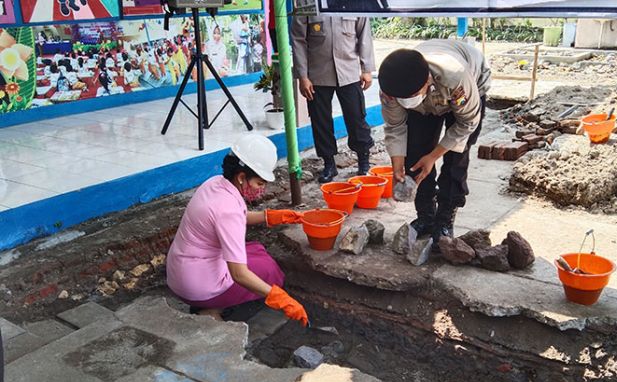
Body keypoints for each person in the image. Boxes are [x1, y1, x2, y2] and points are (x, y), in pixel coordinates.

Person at [166, 135, 309, 325]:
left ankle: (211, 303)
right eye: (259, 183)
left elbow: (234, 216)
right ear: (242, 177)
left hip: (180, 271)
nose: (262, 190)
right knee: (268, 270)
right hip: (196, 287)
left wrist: (273, 216)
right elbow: (239, 274)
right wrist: (282, 299)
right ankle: (210, 308)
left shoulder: (215, 183)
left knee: (255, 250)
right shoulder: (228, 211)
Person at [377, 40, 492, 246]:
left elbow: (467, 123)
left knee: (456, 158)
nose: (406, 100)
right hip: (427, 99)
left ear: (427, 81)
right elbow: (395, 126)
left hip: (468, 88)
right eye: (401, 98)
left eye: (411, 96)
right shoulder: (391, 87)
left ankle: (445, 218)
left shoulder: (455, 77)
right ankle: (426, 216)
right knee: (415, 153)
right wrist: (397, 165)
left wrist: (433, 156)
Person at [291, 15, 376, 183]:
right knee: (320, 121)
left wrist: (366, 68)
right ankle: (329, 163)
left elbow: (364, 34)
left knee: (356, 117)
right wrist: (303, 76)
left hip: (349, 71)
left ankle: (363, 161)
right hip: (317, 73)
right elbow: (298, 40)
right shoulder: (306, 3)